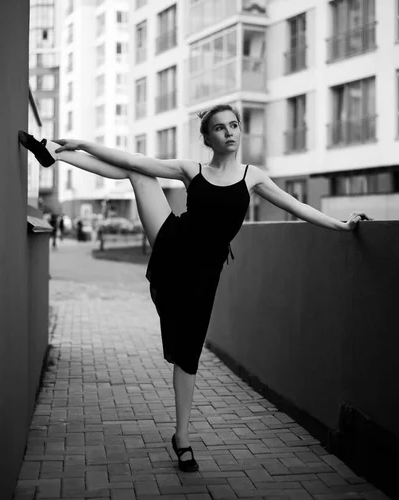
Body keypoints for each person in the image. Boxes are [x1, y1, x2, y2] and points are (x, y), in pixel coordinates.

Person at [18, 104, 371, 472]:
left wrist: (342, 226)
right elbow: (135, 160)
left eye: (234, 125)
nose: (230, 132)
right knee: (138, 172)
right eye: (220, 128)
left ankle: (181, 436)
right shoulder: (192, 170)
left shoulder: (253, 177)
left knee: (188, 354)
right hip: (173, 242)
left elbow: (297, 206)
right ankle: (54, 154)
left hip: (204, 273)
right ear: (208, 138)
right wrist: (83, 144)